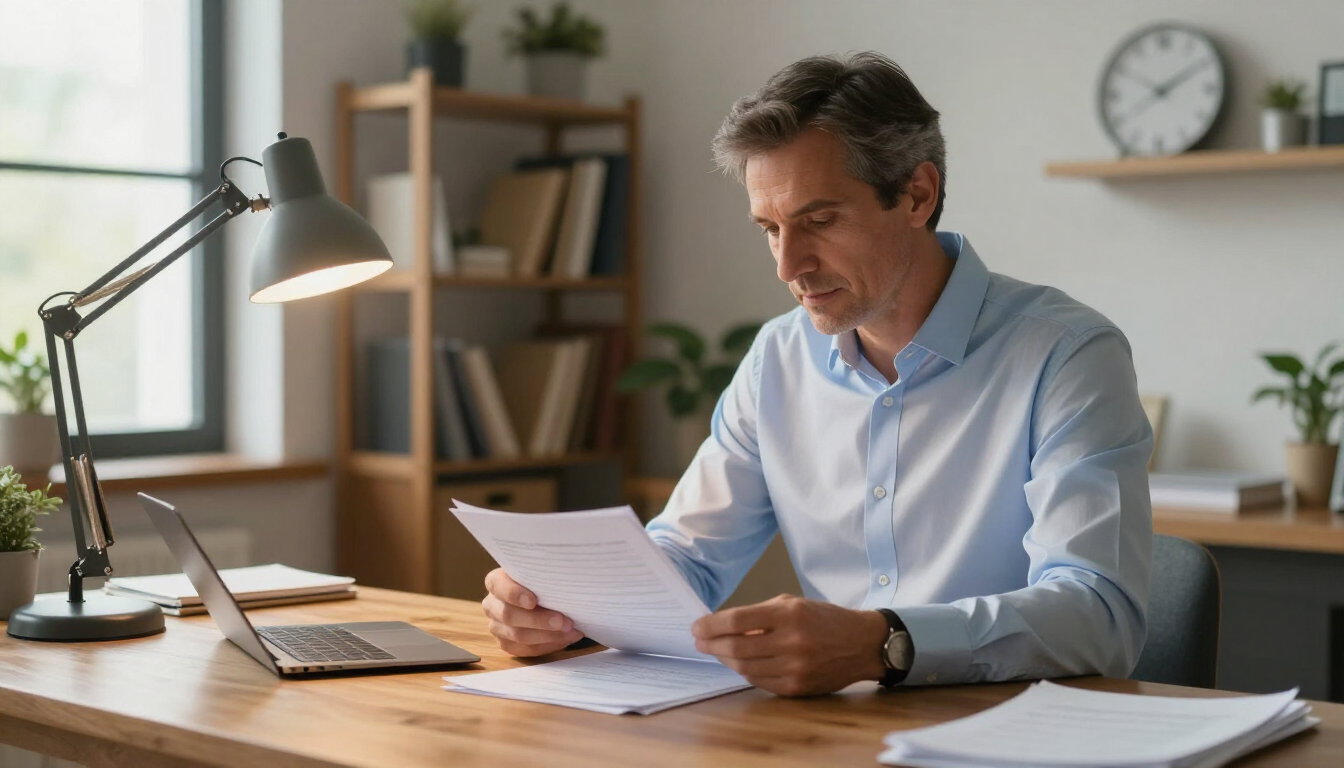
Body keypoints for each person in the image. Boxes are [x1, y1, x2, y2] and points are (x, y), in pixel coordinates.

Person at [481, 51, 1153, 697]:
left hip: (1017, 737)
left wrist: (882, 644)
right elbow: (687, 562)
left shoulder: (1068, 354)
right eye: (769, 229)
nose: (787, 265)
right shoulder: (778, 358)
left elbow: (1100, 615)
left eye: (819, 221)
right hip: (829, 739)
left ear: (917, 194)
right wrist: (562, 610)